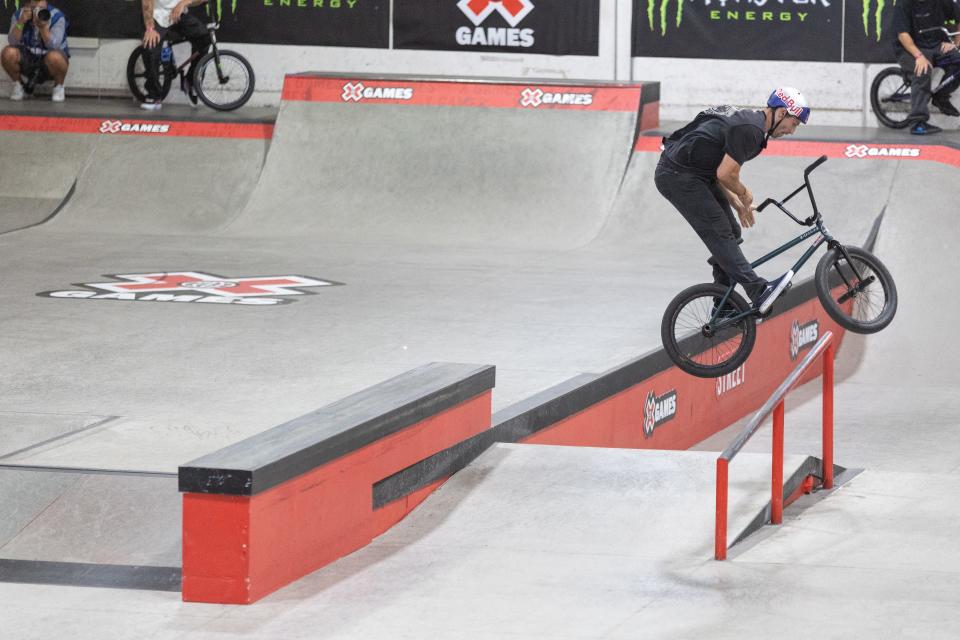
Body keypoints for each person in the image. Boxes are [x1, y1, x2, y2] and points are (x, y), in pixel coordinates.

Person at [654, 88, 810, 315]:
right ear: (781, 113)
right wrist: (745, 193)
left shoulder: (750, 123)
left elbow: (716, 168)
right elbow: (726, 174)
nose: (792, 131)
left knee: (732, 232)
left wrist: (736, 204)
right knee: (720, 234)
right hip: (678, 176)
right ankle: (758, 290)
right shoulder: (751, 131)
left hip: (695, 174)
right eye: (794, 123)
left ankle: (723, 304)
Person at [892, 0, 960, 135]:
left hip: (936, 46)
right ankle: (918, 123)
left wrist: (956, 44)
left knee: (957, 60)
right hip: (909, 49)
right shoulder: (903, 4)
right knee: (923, 70)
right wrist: (919, 56)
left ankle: (941, 97)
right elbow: (902, 35)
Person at [140, 0, 211, 110]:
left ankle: (190, 81)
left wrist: (183, 3)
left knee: (204, 38)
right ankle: (154, 96)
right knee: (150, 47)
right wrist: (149, 28)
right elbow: (146, 3)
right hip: (157, 16)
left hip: (178, 14)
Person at [2, 0, 69, 102]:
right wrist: (21, 22)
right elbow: (12, 42)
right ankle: (19, 86)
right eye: (35, 9)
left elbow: (55, 46)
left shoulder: (57, 16)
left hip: (48, 61)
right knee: (8, 53)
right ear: (28, 5)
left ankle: (58, 87)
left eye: (42, 8)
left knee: (56, 57)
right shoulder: (19, 14)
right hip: (28, 58)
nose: (38, 12)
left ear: (47, 5)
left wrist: (43, 28)